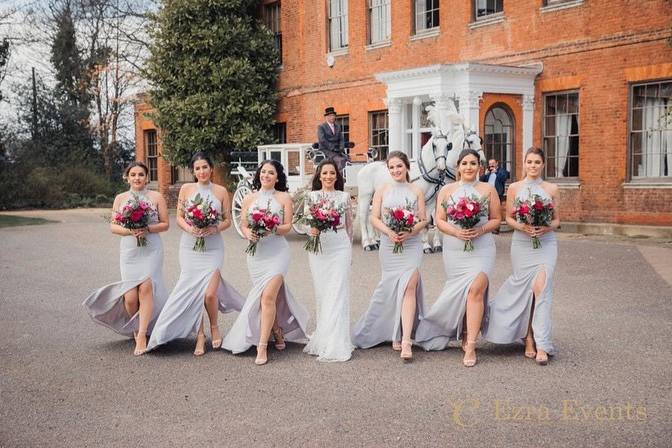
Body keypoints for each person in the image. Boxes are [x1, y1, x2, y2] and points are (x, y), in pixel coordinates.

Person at [147, 152, 244, 356]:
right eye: (197, 168)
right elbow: (180, 217)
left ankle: (215, 326)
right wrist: (191, 229)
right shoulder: (186, 189)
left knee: (209, 293)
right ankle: (200, 335)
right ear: (193, 171)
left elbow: (227, 219)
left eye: (205, 167)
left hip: (213, 247)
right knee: (194, 293)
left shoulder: (221, 191)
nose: (201, 171)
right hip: (190, 247)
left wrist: (214, 228)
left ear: (211, 169)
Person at [415, 149, 501, 367]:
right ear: (458, 166)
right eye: (464, 163)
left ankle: (471, 344)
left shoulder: (488, 190)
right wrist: (456, 232)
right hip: (455, 249)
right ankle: (463, 330)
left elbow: (496, 219)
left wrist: (480, 231)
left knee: (475, 290)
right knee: (464, 293)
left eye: (473, 163)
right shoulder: (447, 190)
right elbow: (440, 221)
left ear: (479, 166)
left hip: (482, 248)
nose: (469, 167)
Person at [222, 160, 309, 365]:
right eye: (263, 172)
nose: (266, 175)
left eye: (271, 173)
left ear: (277, 177)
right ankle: (277, 329)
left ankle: (261, 346)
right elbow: (243, 224)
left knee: (268, 297)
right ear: (259, 175)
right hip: (257, 255)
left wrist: (273, 228)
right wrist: (248, 234)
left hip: (278, 252)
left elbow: (287, 226)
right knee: (268, 296)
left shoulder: (284, 198)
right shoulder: (249, 198)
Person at [482, 147, 560, 366]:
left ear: (543, 164)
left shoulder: (552, 188)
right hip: (522, 244)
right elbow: (509, 218)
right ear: (524, 164)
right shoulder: (515, 187)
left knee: (541, 288)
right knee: (526, 290)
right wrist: (524, 227)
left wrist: (545, 228)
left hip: (546, 244)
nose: (533, 166)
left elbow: (556, 220)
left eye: (537, 162)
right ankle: (527, 337)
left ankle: (542, 342)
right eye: (529, 162)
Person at [83, 161, 169, 356]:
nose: (137, 178)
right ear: (127, 177)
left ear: (147, 177)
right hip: (130, 251)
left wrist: (147, 228)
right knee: (130, 298)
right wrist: (131, 230)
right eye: (133, 175)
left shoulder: (156, 197)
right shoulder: (120, 198)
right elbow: (113, 226)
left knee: (147, 287)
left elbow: (165, 224)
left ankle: (142, 335)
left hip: (151, 249)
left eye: (141, 174)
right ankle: (137, 327)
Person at [352, 151, 427, 361]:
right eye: (392, 167)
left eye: (399, 166)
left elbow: (423, 219)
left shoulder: (416, 191)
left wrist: (410, 231)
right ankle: (393, 331)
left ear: (406, 168)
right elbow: (374, 218)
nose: (395, 170)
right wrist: (389, 232)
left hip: (411, 245)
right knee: (393, 288)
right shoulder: (382, 190)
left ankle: (405, 340)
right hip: (389, 244)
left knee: (410, 285)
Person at [303, 159, 355, 362]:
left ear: (337, 176)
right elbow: (307, 223)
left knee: (338, 292)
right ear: (319, 176)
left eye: (332, 173)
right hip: (319, 248)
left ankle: (338, 341)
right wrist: (312, 230)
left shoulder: (344, 197)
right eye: (324, 173)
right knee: (324, 293)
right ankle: (324, 337)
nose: (328, 177)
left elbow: (350, 226)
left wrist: (349, 251)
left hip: (340, 246)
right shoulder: (311, 197)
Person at [480, 159, 509, 234]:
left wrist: (496, 173)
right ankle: (488, 228)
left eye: (493, 163)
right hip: (487, 194)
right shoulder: (488, 172)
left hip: (497, 194)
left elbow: (504, 178)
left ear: (497, 163)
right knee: (487, 210)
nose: (491, 165)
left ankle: (496, 229)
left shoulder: (501, 171)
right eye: (490, 164)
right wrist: (485, 174)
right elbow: (481, 180)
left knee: (496, 212)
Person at [317, 106, 347, 172]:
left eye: (333, 115)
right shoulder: (321, 127)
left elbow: (341, 139)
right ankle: (338, 178)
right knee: (340, 160)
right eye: (330, 115)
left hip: (337, 150)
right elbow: (322, 140)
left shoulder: (338, 126)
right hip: (326, 150)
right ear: (326, 117)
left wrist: (341, 147)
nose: (333, 117)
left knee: (348, 160)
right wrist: (333, 148)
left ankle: (347, 178)